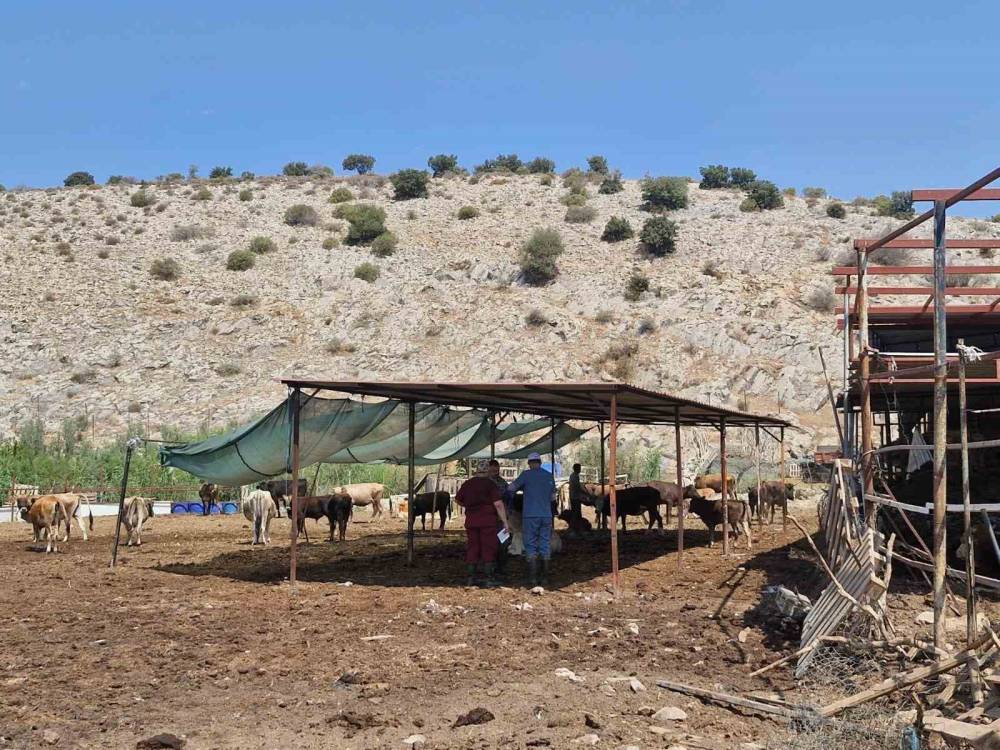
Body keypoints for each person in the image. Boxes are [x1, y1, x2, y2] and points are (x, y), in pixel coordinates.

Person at [455, 459, 510, 587]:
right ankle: (488, 578)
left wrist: (469, 506)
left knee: (473, 547)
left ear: (476, 470)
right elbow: (498, 504)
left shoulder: (468, 484)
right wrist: (505, 521)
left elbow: (457, 500)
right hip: (488, 521)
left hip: (471, 521)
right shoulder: (490, 484)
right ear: (487, 470)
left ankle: (471, 578)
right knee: (488, 547)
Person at [507, 452, 557, 587]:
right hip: (546, 515)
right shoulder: (549, 476)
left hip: (530, 515)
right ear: (540, 462)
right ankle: (545, 579)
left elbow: (511, 488)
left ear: (529, 463)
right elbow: (553, 498)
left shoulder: (526, 475)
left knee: (530, 545)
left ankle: (533, 579)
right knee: (545, 544)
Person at [487, 459, 512, 577]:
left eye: (496, 470)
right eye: (492, 470)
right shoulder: (484, 482)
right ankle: (490, 568)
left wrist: (507, 513)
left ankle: (501, 567)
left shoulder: (503, 482)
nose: (494, 472)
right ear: (488, 469)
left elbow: (508, 498)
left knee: (503, 543)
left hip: (501, 518)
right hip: (489, 517)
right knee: (490, 543)